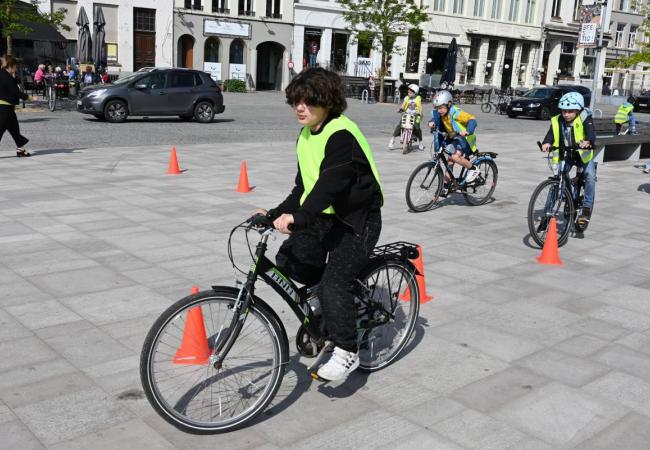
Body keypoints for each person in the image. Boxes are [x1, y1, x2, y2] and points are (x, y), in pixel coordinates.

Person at [255, 67, 383, 382]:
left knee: (334, 284)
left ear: (327, 101)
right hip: (325, 217)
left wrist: (298, 218)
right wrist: (273, 214)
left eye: (308, 101)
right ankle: (325, 306)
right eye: (296, 101)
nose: (300, 108)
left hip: (357, 221)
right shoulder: (306, 135)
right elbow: (303, 188)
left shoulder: (341, 135)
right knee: (289, 259)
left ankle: (346, 351)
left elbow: (329, 186)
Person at [541, 91, 596, 227]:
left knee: (590, 176)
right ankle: (547, 213)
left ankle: (587, 208)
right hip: (567, 154)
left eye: (570, 111)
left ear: (578, 110)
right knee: (558, 179)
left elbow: (591, 133)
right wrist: (547, 142)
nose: (566, 114)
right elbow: (551, 133)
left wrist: (588, 141)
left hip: (582, 155)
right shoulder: (558, 119)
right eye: (564, 111)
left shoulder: (585, 117)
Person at [427, 90, 480, 191]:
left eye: (441, 108)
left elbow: (472, 119)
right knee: (450, 160)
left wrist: (467, 131)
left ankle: (473, 169)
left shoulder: (456, 113)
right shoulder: (441, 114)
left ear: (449, 104)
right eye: (437, 108)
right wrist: (431, 122)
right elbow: (435, 118)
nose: (439, 110)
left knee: (455, 157)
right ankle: (447, 185)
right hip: (454, 139)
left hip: (465, 139)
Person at [0, 55, 30, 157]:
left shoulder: (4, 74)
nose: (16, 68)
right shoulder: (6, 77)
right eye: (15, 66)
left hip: (7, 108)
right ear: (10, 65)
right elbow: (15, 91)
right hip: (5, 109)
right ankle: (20, 149)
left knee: (14, 130)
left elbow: (12, 84)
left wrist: (13, 77)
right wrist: (29, 97)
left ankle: (20, 149)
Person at [388, 84, 423, 152]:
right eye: (408, 92)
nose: (408, 93)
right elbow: (403, 105)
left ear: (415, 93)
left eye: (410, 92)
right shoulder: (406, 98)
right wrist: (400, 109)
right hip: (406, 114)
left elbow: (420, 107)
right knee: (400, 125)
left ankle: (420, 141)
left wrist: (420, 112)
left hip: (416, 115)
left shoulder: (418, 98)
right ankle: (393, 139)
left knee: (417, 127)